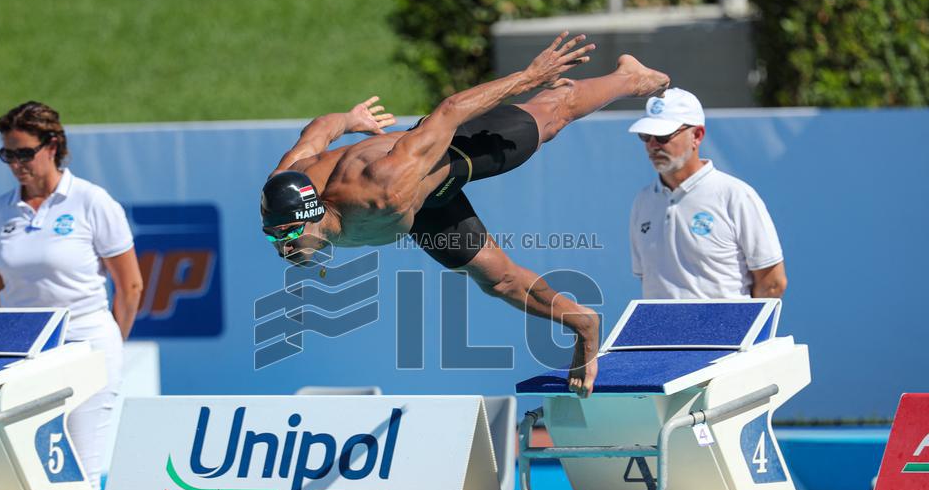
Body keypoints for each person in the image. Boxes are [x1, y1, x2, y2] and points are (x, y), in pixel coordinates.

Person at [260, 33, 669, 398]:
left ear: (313, 214)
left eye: (289, 235)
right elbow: (319, 130)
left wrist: (529, 76)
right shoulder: (286, 181)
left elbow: (451, 111)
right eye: (274, 237)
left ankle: (628, 77)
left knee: (552, 116)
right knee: (498, 280)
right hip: (422, 209)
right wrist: (351, 120)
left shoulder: (381, 185)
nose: (283, 248)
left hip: (445, 158)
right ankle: (582, 322)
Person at [0, 101, 143, 490]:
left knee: (83, 468)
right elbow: (0, 287)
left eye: (24, 153)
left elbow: (130, 286)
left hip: (85, 342)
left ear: (52, 146)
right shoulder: (0, 209)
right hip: (25, 351)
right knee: (27, 469)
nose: (16, 164)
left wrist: (108, 346)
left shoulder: (91, 200)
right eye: (8, 155)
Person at [628, 88, 787, 299]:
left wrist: (733, 321)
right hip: (660, 323)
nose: (652, 145)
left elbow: (773, 283)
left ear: (697, 135)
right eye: (645, 135)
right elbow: (650, 280)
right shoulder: (643, 201)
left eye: (663, 136)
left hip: (728, 323)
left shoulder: (735, 195)